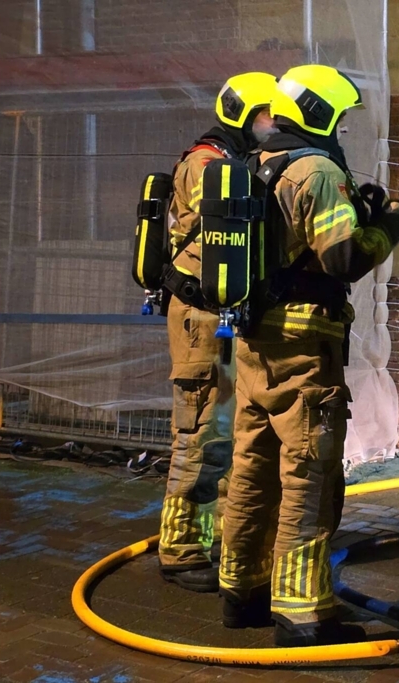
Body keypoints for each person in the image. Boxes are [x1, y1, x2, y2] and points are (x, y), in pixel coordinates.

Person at [217, 64, 399, 646]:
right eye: (340, 118)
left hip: (255, 343)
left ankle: (241, 590)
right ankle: (303, 613)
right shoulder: (316, 171)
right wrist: (392, 228)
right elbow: (343, 258)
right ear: (320, 113)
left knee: (251, 468)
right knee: (310, 474)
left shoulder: (254, 166)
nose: (342, 130)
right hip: (306, 348)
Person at [158, 72, 280, 593]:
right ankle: (181, 549)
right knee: (202, 430)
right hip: (201, 320)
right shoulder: (207, 165)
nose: (274, 124)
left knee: (228, 436)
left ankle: (221, 542)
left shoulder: (231, 162)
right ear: (245, 115)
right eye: (267, 115)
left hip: (221, 316)